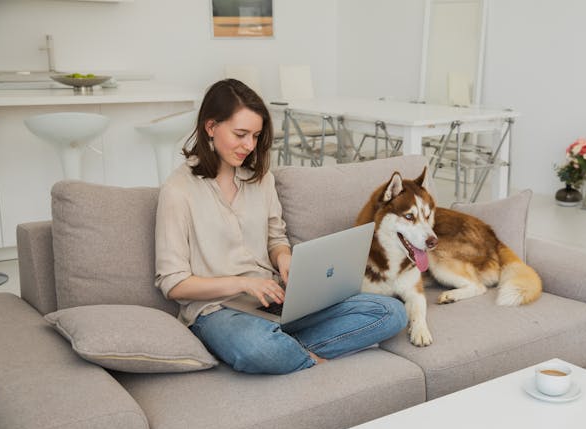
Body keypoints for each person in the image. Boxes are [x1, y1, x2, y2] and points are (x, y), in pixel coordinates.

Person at [154, 79, 407, 375]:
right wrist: (244, 283)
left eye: (256, 136)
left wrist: (284, 259)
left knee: (391, 312)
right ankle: (303, 356)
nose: (249, 146)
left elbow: (276, 238)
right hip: (218, 312)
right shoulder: (178, 191)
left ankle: (286, 350)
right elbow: (173, 283)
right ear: (210, 127)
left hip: (273, 301)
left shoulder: (261, 179)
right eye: (240, 134)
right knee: (257, 347)